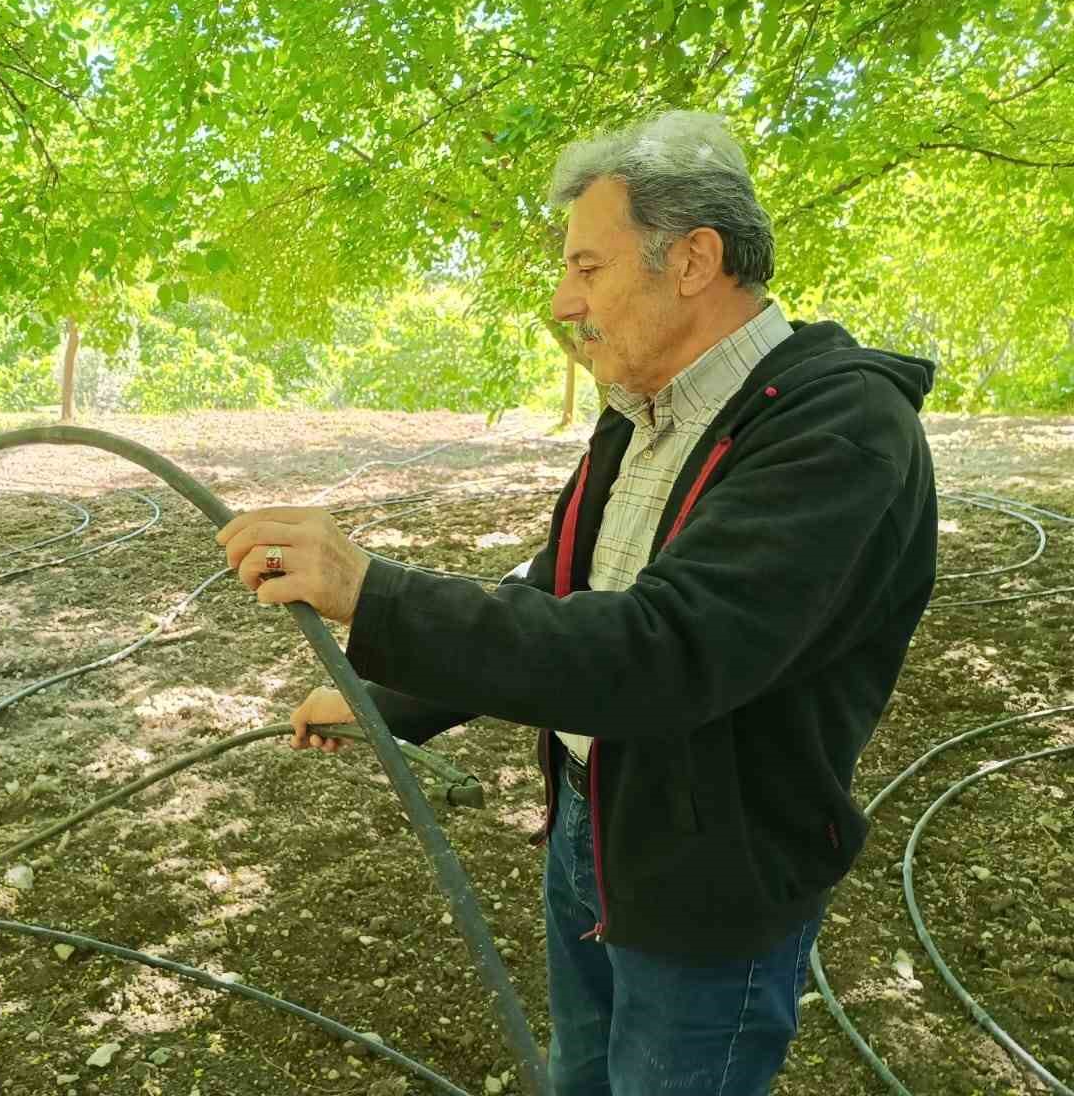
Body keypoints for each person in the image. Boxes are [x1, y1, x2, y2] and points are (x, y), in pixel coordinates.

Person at [215, 111, 938, 1095]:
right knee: (581, 1077)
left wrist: (371, 592)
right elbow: (557, 591)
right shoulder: (642, 414)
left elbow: (665, 651)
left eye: (587, 268)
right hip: (590, 833)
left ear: (691, 260)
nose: (563, 303)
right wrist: (395, 704)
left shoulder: (838, 429)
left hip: (708, 883)